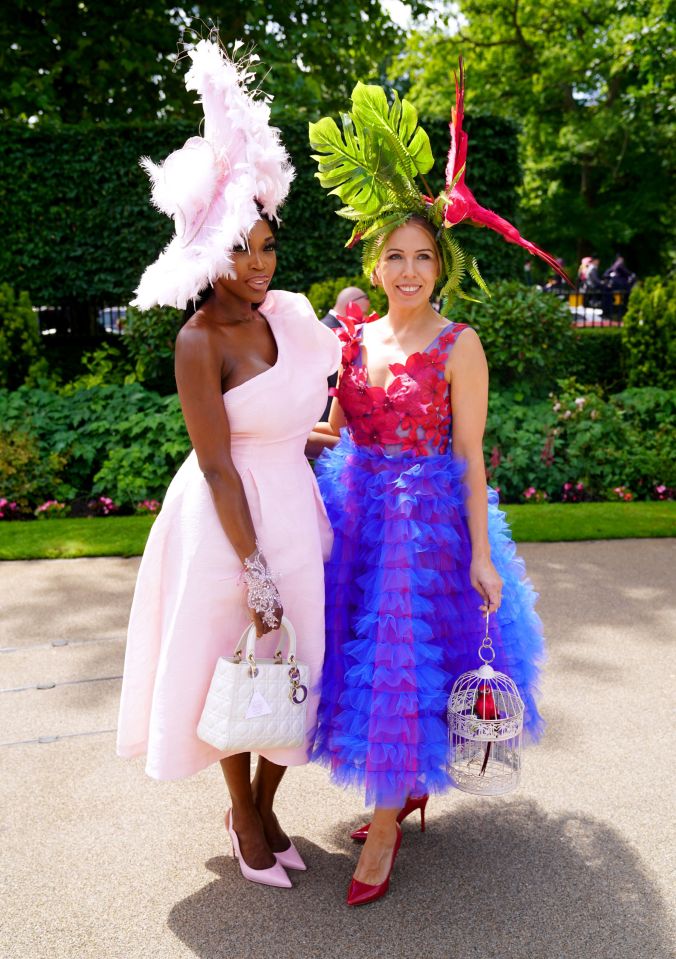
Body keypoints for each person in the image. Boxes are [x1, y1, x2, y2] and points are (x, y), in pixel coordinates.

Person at [309, 62, 547, 906]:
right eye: (393, 256)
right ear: (373, 263)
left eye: (422, 257)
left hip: (427, 523)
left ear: (439, 264)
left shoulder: (460, 343)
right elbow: (334, 427)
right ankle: (399, 788)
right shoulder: (353, 338)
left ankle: (382, 825)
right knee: (355, 655)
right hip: (357, 507)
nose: (408, 270)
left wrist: (483, 554)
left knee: (404, 661)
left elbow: (473, 455)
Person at [116, 37, 341, 890]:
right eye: (241, 249)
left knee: (301, 662)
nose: (257, 265)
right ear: (209, 247)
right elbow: (216, 463)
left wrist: (305, 437)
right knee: (231, 662)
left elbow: (283, 409)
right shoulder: (197, 339)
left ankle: (265, 804)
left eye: (266, 247)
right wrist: (253, 566)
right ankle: (246, 813)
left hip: (291, 499)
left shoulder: (284, 312)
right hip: (225, 521)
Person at [320, 286, 371, 418]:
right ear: (351, 305)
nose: (364, 318)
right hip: (326, 414)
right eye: (364, 312)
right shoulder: (325, 330)